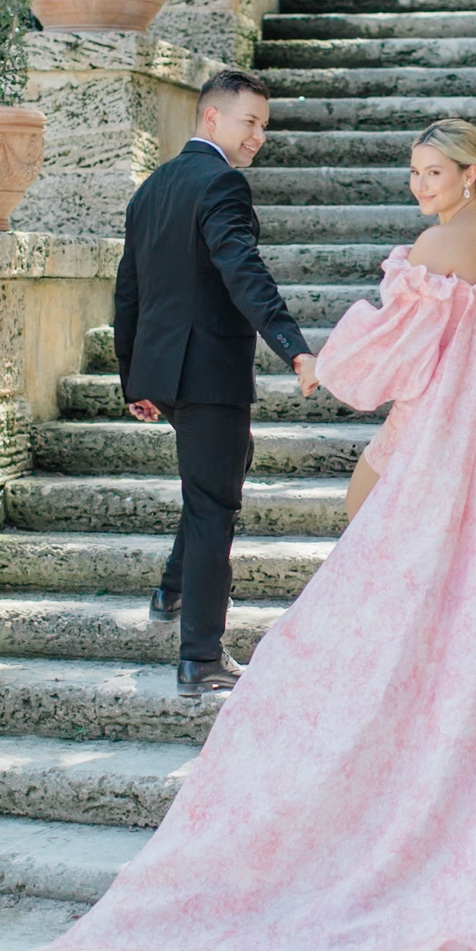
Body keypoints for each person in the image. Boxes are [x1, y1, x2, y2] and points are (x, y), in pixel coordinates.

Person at [0, 118, 476, 951]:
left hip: (445, 446)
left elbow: (384, 360)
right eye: (412, 169)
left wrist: (325, 363)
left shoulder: (442, 246)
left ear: (473, 175)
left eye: (433, 171)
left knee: (358, 621)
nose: (418, 186)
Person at [111, 67, 317, 696]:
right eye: (249, 121)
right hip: (207, 374)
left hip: (167, 374)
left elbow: (129, 292)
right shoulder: (221, 182)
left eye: (263, 125)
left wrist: (133, 377)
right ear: (212, 118)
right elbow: (242, 269)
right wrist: (292, 346)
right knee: (214, 504)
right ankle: (200, 658)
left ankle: (173, 591)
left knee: (212, 482)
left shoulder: (153, 187)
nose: (257, 136)